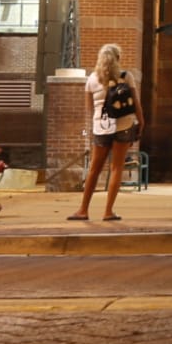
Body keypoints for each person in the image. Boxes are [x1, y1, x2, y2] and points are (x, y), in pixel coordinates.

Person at [71, 42, 141, 222]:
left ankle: (83, 210)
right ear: (118, 59)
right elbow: (136, 103)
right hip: (124, 125)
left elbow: (89, 109)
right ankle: (108, 211)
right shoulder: (127, 77)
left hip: (101, 127)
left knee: (94, 169)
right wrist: (141, 122)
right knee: (116, 167)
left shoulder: (92, 79)